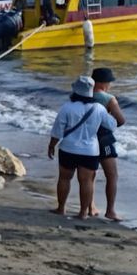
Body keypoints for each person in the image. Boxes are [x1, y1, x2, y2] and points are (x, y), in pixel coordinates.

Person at [48, 75, 118, 220]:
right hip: (90, 150)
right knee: (86, 181)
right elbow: (112, 125)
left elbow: (57, 130)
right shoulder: (98, 108)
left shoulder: (67, 107)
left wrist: (52, 145)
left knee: (64, 178)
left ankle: (61, 208)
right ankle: (83, 213)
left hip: (68, 148)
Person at [90, 67, 125, 221]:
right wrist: (109, 121)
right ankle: (110, 210)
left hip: (85, 137)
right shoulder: (108, 98)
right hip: (103, 138)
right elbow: (121, 120)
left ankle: (90, 206)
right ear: (104, 83)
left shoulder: (81, 96)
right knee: (112, 175)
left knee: (89, 174)